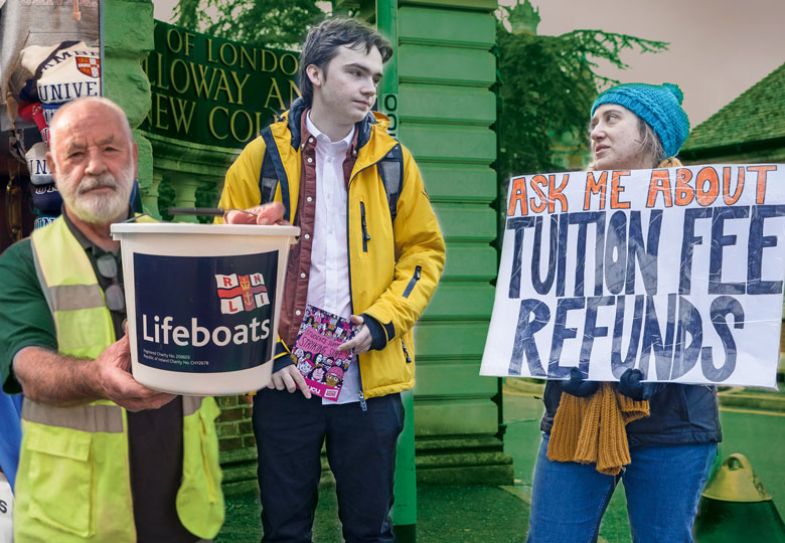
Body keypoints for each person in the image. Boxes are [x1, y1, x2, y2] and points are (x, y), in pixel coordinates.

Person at [217, 17, 446, 542]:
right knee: (285, 529)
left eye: (376, 77)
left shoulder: (394, 161)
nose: (370, 87)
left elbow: (424, 253)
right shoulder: (262, 158)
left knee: (370, 529)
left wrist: (382, 321)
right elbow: (225, 262)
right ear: (315, 74)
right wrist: (266, 352)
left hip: (370, 377)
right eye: (357, 72)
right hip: (284, 376)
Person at [0, 96, 224, 542]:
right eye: (76, 153)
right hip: (77, 521)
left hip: (186, 512)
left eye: (110, 148)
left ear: (134, 157)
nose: (95, 166)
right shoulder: (23, 263)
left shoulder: (185, 247)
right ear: (56, 168)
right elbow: (25, 364)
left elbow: (239, 331)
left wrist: (251, 249)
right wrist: (98, 378)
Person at [526, 83, 720, 543]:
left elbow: (729, 325)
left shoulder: (706, 216)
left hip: (675, 421)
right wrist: (553, 358)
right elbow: (537, 308)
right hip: (575, 407)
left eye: (612, 119)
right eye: (594, 121)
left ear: (651, 134)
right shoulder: (563, 211)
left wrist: (664, 359)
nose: (596, 131)